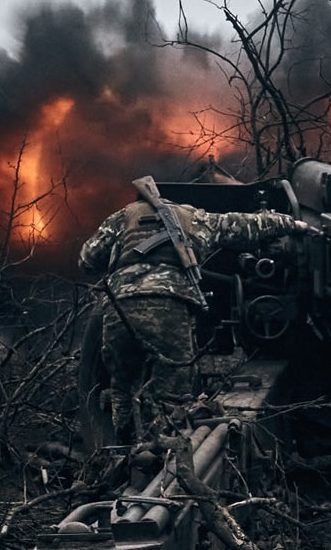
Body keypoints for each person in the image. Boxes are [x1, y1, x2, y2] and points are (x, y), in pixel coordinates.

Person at [79, 176, 315, 444]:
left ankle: (118, 450)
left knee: (121, 387)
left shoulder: (120, 218)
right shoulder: (192, 217)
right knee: (173, 397)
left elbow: (87, 259)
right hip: (168, 306)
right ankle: (168, 456)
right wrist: (291, 224)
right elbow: (243, 226)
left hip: (119, 309)